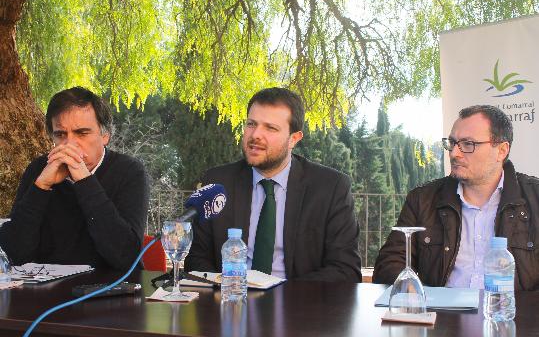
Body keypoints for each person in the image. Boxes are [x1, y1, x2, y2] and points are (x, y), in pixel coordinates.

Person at [185, 87, 362, 282]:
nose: (255, 135)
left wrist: (280, 295)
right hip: (233, 301)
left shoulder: (330, 187)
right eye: (251, 124)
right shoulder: (218, 182)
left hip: (298, 305)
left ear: (293, 139)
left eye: (270, 128)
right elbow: (196, 259)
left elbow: (345, 270)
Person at [373, 105, 539, 290]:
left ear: (501, 150)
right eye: (452, 143)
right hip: (442, 315)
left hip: (514, 315)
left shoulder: (535, 198)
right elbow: (389, 262)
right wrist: (407, 287)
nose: (454, 153)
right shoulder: (423, 199)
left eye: (468, 144)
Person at [0, 87, 149, 270]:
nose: (70, 144)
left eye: (81, 133)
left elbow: (126, 256)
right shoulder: (39, 170)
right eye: (60, 134)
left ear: (105, 136)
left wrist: (85, 182)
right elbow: (12, 253)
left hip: (109, 291)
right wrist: (41, 187)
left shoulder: (129, 171)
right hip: (45, 292)